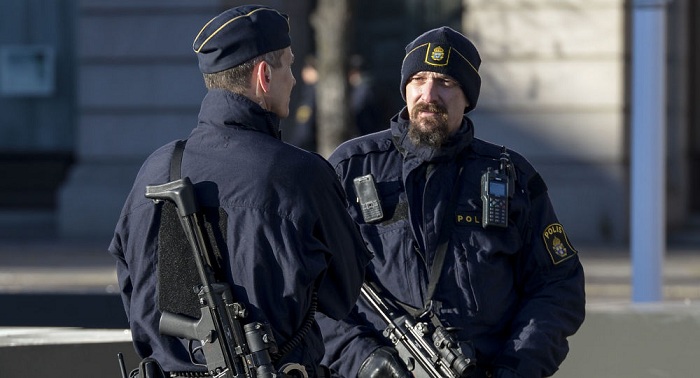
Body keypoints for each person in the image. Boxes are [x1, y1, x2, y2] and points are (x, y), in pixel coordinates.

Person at [108, 5, 372, 377]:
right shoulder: (302, 175)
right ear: (264, 76)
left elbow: (133, 289)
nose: (295, 80)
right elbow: (342, 294)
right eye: (289, 66)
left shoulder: (155, 169)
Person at [317, 26, 586, 378]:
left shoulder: (513, 177)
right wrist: (363, 360)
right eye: (418, 79)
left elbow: (558, 286)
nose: (429, 94)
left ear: (467, 97)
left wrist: (516, 368)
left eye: (445, 82)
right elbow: (311, 284)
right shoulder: (350, 168)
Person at [285, 55, 319, 151]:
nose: (304, 72)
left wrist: (295, 145)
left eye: (308, 69)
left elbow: (304, 126)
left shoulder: (312, 92)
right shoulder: (311, 90)